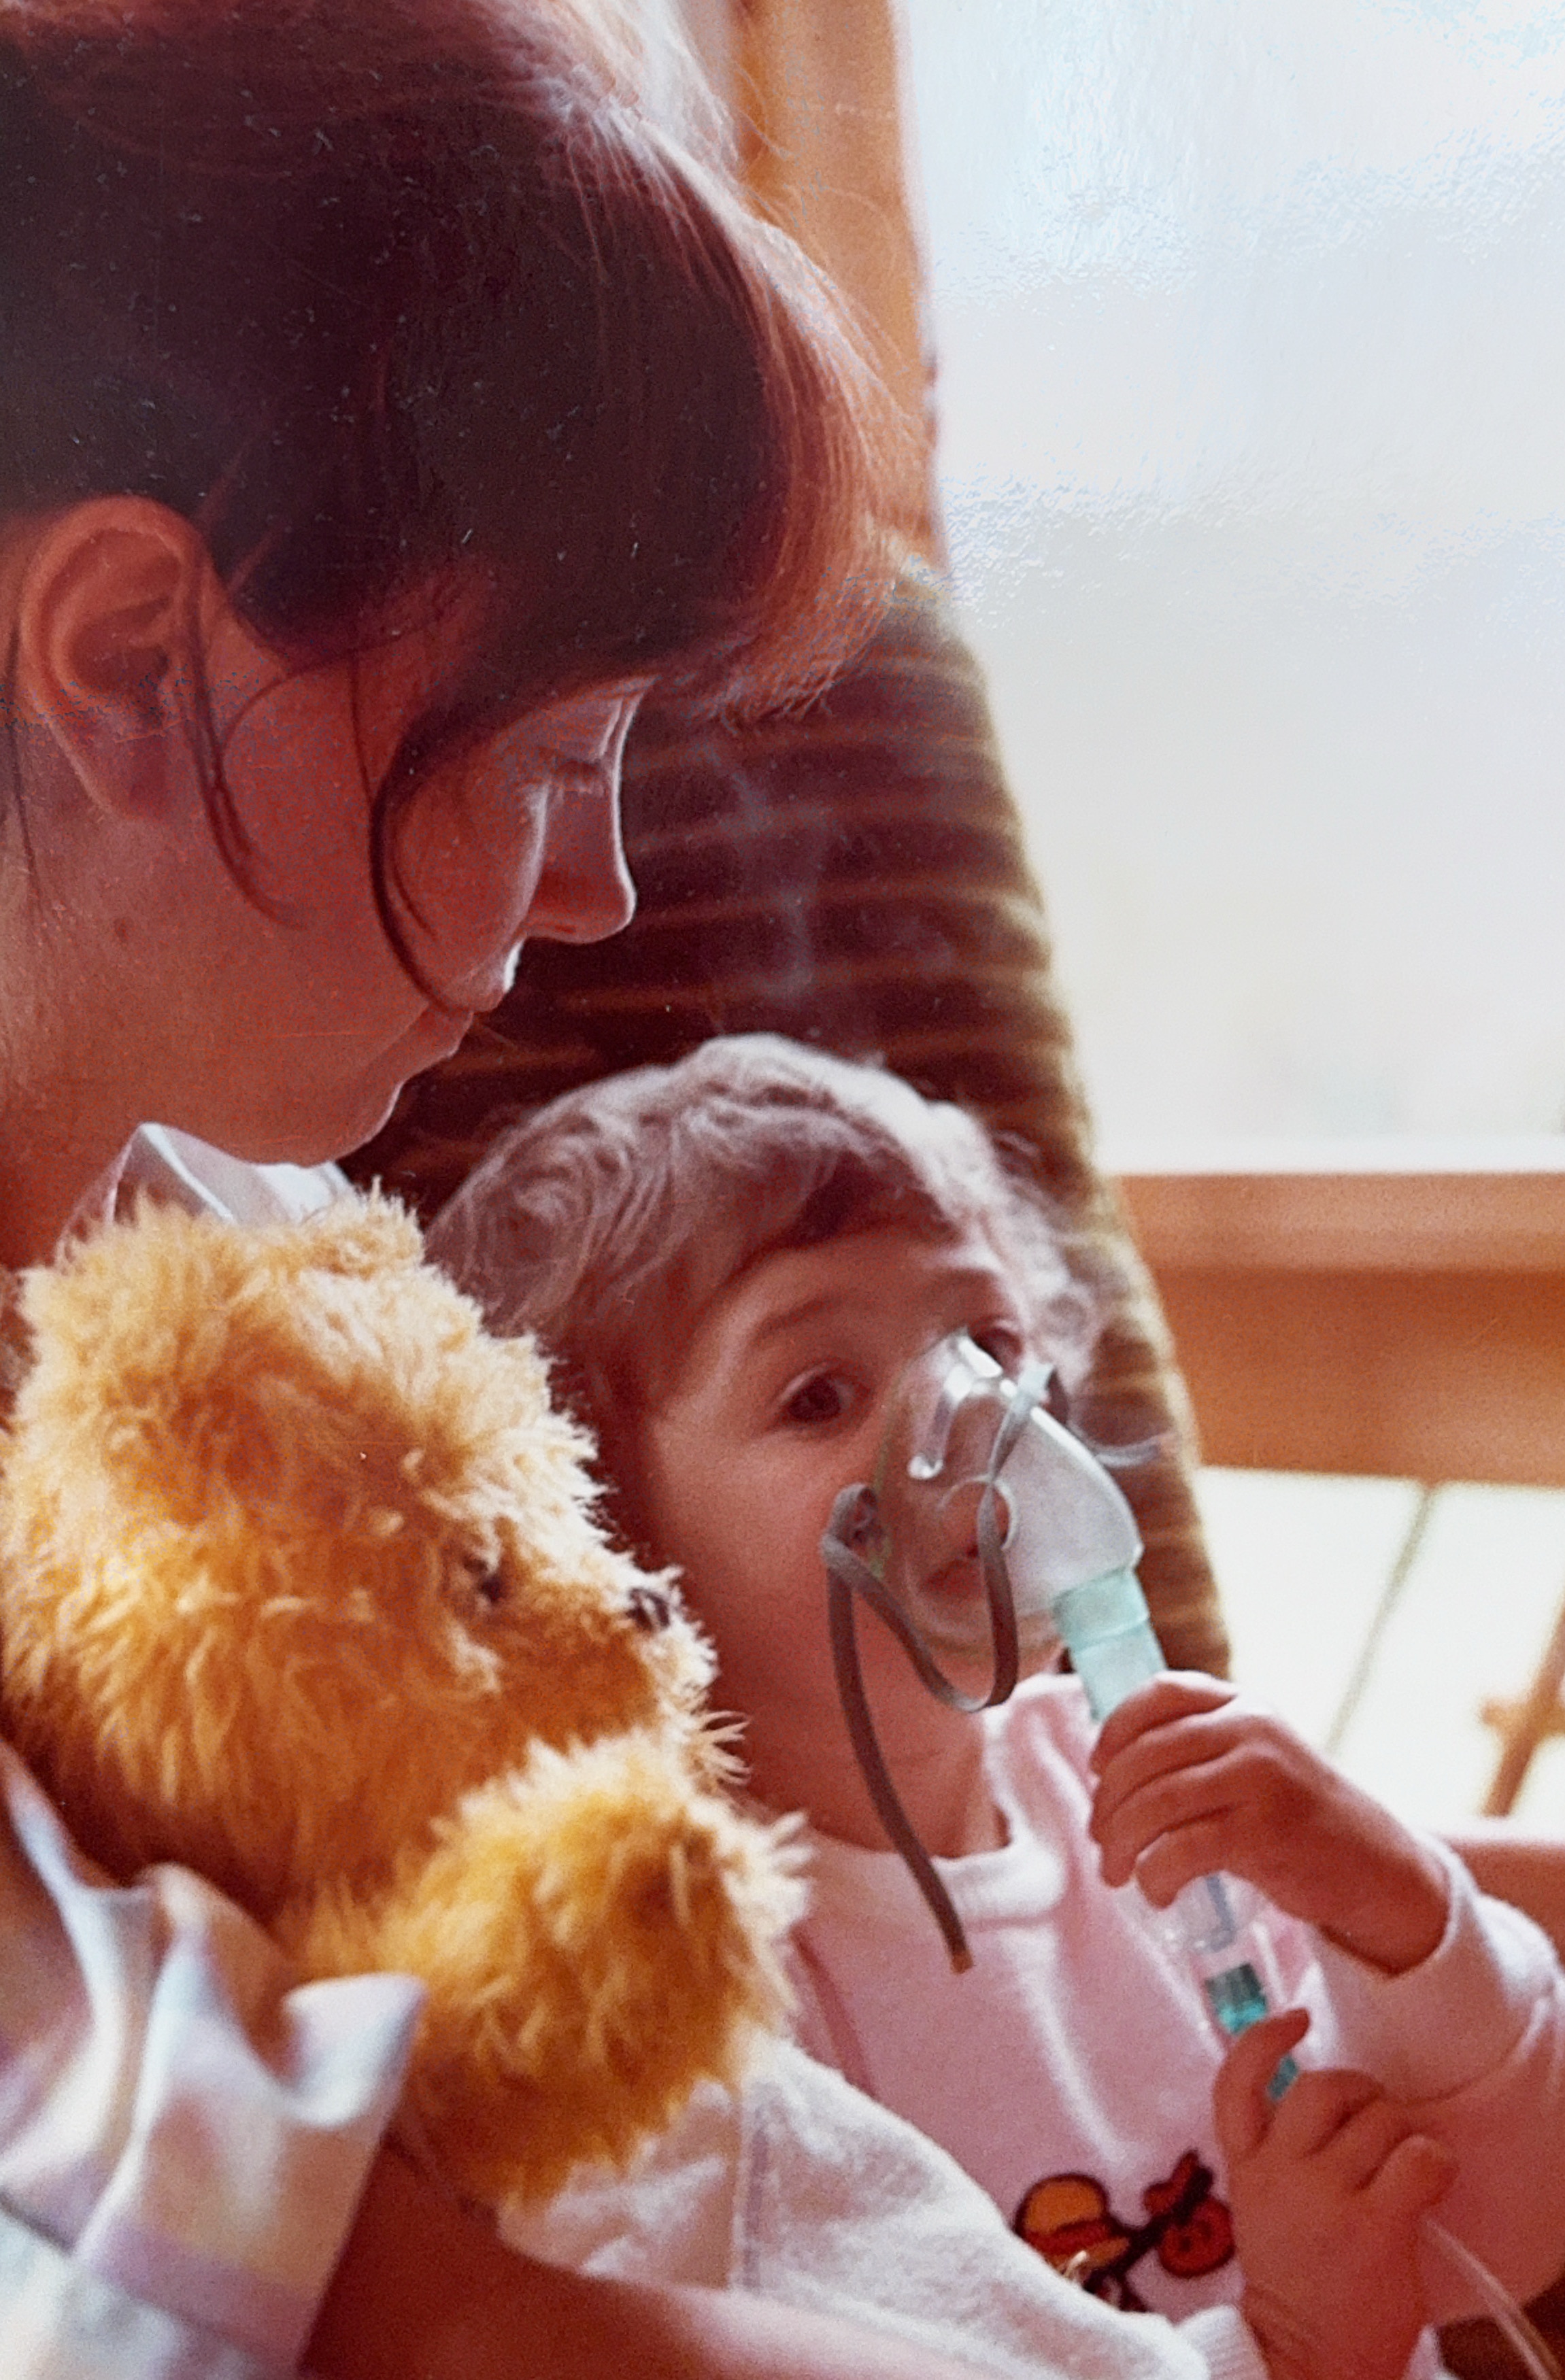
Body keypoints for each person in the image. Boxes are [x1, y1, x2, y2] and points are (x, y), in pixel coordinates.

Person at [0, 7, 1013, 2377]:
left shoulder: (259, 1288)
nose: (606, 895)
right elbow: (397, 2329)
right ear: (135, 653)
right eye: (560, 753)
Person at [430, 1032, 1565, 2380]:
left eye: (985, 1341)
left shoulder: (1182, 1803)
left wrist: (1403, 1911)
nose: (969, 1418)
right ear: (607, 1532)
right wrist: (1278, 2347)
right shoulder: (691, 1984)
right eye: (820, 1391)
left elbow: (1512, 2239)